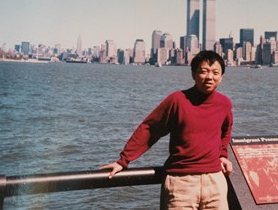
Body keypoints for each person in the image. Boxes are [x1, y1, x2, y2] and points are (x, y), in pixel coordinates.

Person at [100, 50, 233, 209]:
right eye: (203, 71)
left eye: (215, 73)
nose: (210, 77)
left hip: (215, 181)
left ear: (221, 77)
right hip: (181, 183)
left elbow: (226, 130)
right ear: (193, 74)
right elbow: (149, 129)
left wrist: (223, 154)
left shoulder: (224, 104)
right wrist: (124, 160)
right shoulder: (177, 100)